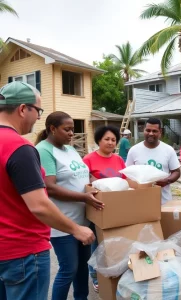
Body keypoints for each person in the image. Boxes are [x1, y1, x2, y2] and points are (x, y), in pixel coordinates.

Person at [0, 81, 95, 300]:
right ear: (23, 109)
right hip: (23, 251)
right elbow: (39, 204)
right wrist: (76, 229)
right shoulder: (20, 148)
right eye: (38, 111)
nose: (39, 118)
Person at [35, 112, 104, 300]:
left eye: (73, 129)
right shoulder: (44, 150)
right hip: (63, 224)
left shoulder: (70, 150)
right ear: (52, 129)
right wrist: (84, 197)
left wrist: (102, 184)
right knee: (68, 269)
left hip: (83, 221)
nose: (71, 133)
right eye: (67, 129)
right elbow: (49, 187)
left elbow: (84, 174)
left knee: (82, 267)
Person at [83, 125, 125, 292]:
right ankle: (95, 276)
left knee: (114, 242)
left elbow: (125, 181)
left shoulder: (119, 159)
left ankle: (114, 272)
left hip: (117, 208)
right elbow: (85, 183)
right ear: (99, 140)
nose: (110, 142)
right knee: (98, 244)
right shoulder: (88, 159)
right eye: (106, 139)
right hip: (98, 208)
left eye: (113, 140)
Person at [126, 118, 181, 205]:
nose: (151, 133)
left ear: (160, 132)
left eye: (154, 131)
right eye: (148, 130)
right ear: (144, 130)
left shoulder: (168, 150)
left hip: (163, 202)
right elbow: (127, 174)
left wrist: (167, 180)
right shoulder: (134, 150)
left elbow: (177, 172)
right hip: (140, 202)